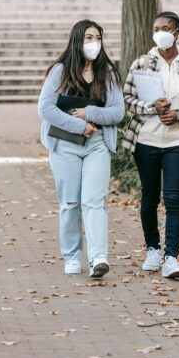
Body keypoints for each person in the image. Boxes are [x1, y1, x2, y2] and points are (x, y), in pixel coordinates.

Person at [122, 11, 179, 280]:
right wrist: (151, 107)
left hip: (177, 141)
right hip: (145, 140)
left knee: (173, 199)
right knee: (149, 197)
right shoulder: (141, 63)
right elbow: (128, 99)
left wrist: (178, 115)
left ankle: (171, 257)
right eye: (156, 27)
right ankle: (152, 249)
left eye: (166, 28)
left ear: (176, 32)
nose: (160, 32)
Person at [38, 19, 124, 279]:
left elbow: (118, 112)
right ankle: (72, 255)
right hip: (65, 145)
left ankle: (98, 257)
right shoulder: (60, 71)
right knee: (71, 202)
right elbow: (45, 109)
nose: (93, 43)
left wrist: (90, 113)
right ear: (77, 40)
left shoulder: (107, 73)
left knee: (94, 202)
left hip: (97, 144)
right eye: (88, 38)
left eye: (97, 37)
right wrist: (79, 125)